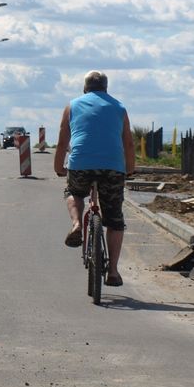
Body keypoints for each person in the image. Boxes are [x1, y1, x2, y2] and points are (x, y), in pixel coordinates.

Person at [54, 70, 136, 287]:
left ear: (85, 88)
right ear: (106, 89)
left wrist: (58, 167)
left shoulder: (72, 106)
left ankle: (76, 224)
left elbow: (63, 141)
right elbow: (128, 143)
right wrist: (130, 169)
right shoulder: (119, 108)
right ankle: (113, 272)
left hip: (81, 163)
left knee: (73, 192)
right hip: (113, 167)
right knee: (115, 219)